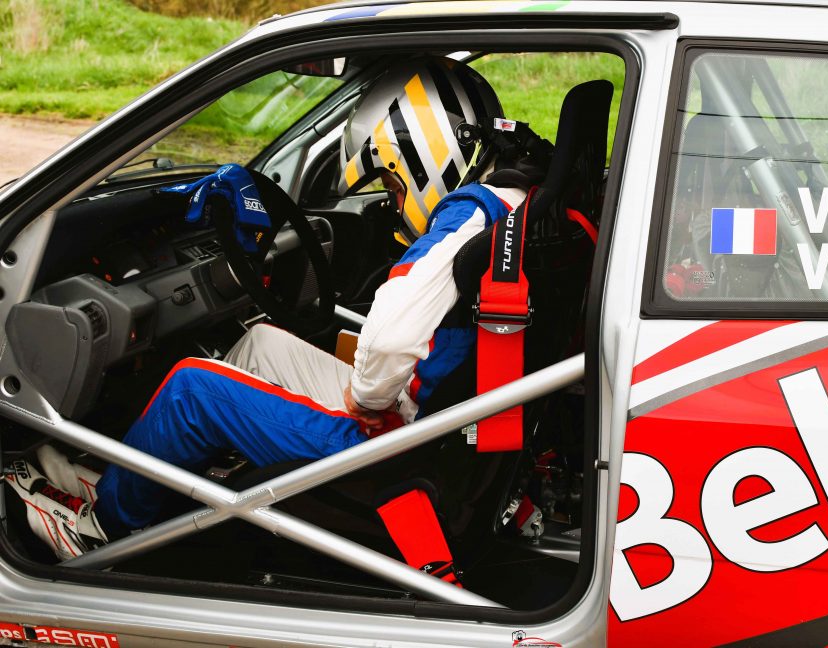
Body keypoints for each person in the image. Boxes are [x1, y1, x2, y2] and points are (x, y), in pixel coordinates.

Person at [5, 55, 550, 562]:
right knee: (260, 342)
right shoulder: (517, 201)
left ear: (420, 152)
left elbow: (387, 340)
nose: (391, 195)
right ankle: (155, 481)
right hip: (447, 432)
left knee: (192, 389)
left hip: (400, 452)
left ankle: (100, 528)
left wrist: (366, 399)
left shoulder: (466, 223)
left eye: (389, 178)